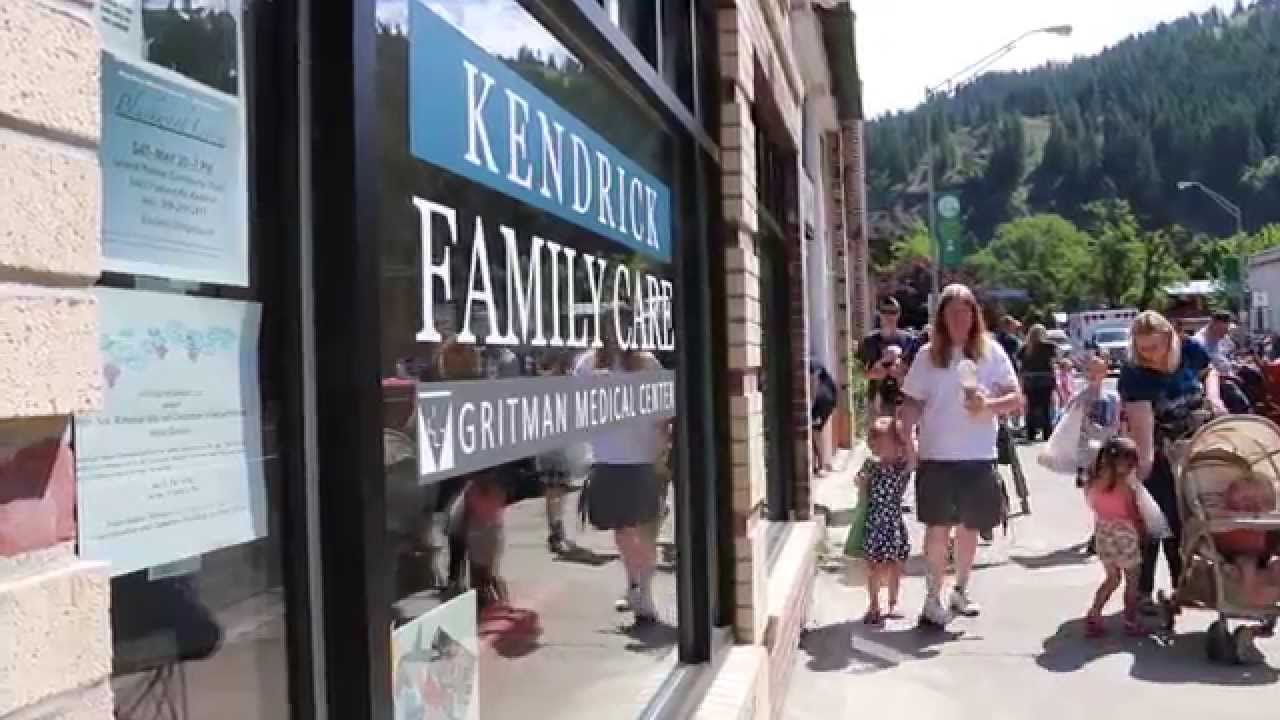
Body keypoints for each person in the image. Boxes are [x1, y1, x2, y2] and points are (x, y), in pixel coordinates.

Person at [899, 284, 1024, 627]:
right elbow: (912, 401)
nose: (959, 318)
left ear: (974, 316)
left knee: (970, 529)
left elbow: (1015, 398)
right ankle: (931, 598)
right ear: (941, 318)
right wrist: (907, 434)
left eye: (965, 311)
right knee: (938, 529)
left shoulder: (991, 352)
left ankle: (961, 589)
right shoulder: (927, 356)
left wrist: (989, 405)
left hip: (978, 455)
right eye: (952, 312)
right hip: (936, 456)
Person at [1120, 310, 1225, 615]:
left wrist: (1214, 398)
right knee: (1158, 523)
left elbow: (1209, 372)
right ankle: (1143, 591)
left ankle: (1185, 585)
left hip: (1199, 443)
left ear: (1170, 338)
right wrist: (1142, 471)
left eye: (1155, 346)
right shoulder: (1134, 374)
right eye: (1143, 348)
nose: (1150, 355)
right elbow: (1142, 428)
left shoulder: (1190, 349)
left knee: (1195, 521)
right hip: (1160, 449)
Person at [575, 305, 670, 624]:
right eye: (612, 324)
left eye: (625, 323)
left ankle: (645, 592)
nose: (618, 330)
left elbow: (664, 415)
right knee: (622, 532)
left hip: (642, 459)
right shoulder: (589, 363)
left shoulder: (647, 361)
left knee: (644, 532)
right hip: (608, 458)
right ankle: (633, 586)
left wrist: (661, 455)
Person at [1083, 437, 1147, 638]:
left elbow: (1092, 504)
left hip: (1103, 531)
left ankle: (1094, 613)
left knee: (1112, 578)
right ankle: (1130, 621)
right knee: (1132, 580)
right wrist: (1143, 530)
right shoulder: (1127, 486)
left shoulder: (1093, 481)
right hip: (1125, 533)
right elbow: (1134, 513)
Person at [855, 416, 912, 626]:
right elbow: (858, 482)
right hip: (875, 521)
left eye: (882, 440)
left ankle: (893, 602)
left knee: (896, 564)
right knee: (874, 566)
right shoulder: (871, 466)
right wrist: (862, 483)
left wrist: (905, 435)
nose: (876, 445)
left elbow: (914, 455)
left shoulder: (901, 466)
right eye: (873, 441)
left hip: (893, 521)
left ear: (898, 444)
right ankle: (873, 604)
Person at [858, 297, 916, 418]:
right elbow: (861, 372)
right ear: (879, 314)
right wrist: (877, 371)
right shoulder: (869, 341)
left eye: (893, 312)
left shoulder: (909, 340)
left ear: (898, 314)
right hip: (876, 400)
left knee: (902, 435)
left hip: (903, 399)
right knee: (877, 435)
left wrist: (901, 372)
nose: (889, 316)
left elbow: (916, 371)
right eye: (885, 312)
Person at [1017, 324, 1059, 442]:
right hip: (1045, 379)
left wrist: (1021, 382)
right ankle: (1047, 433)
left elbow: (1021, 366)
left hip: (1029, 380)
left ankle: (1031, 432)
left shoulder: (1025, 348)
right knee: (1046, 407)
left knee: (1031, 407)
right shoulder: (1049, 346)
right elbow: (1053, 363)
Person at [810, 362, 838, 476]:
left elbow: (813, 384)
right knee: (816, 432)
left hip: (822, 402)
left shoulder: (812, 366)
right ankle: (823, 463)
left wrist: (811, 405)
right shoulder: (816, 364)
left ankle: (822, 465)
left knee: (816, 431)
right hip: (827, 400)